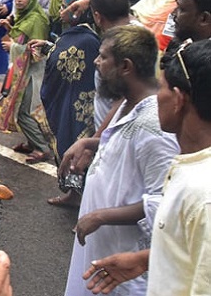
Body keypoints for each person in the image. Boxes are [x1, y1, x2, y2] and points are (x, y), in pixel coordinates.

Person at [82, 39, 211, 296]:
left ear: (177, 100)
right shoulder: (191, 167)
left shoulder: (202, 194)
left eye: (160, 87)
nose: (155, 98)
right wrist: (145, 259)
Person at [63, 25, 178, 296]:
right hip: (101, 256)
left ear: (126, 66)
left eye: (103, 57)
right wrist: (89, 142)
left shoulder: (154, 125)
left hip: (125, 272)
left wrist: (101, 216)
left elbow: (164, 202)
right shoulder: (128, 104)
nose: (96, 62)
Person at [50, 0, 137, 208]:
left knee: (108, 181)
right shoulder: (134, 29)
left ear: (97, 16)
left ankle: (96, 218)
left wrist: (94, 141)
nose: (97, 61)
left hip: (115, 126)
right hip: (107, 122)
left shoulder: (123, 45)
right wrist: (86, 2)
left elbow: (123, 100)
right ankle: (79, 200)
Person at [30, 0, 99, 164]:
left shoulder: (88, 40)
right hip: (66, 100)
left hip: (77, 105)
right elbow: (63, 55)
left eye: (65, 7)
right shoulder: (70, 35)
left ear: (77, 11)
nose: (61, 11)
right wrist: (48, 47)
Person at [0, 0, 53, 164]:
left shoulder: (37, 19)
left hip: (33, 74)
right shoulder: (23, 17)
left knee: (24, 111)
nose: (19, 0)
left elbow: (36, 52)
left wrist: (13, 47)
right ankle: (32, 142)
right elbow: (22, 38)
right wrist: (9, 28)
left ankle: (42, 148)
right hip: (23, 72)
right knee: (21, 108)